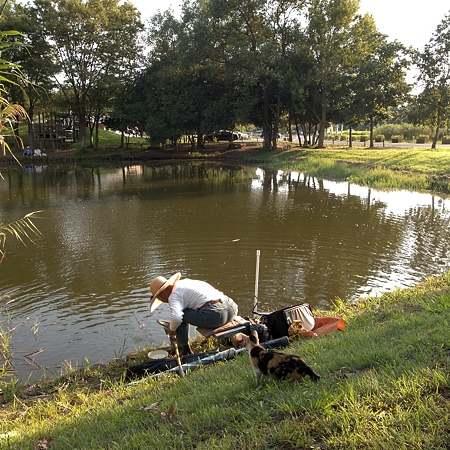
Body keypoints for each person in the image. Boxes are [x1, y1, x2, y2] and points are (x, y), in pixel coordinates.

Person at [150, 272, 239, 355]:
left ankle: (186, 349)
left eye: (160, 299)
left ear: (162, 294)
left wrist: (172, 329)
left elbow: (177, 317)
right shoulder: (184, 283)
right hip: (231, 308)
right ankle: (227, 339)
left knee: (182, 315)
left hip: (216, 315)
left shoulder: (174, 296)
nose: (164, 302)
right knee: (190, 309)